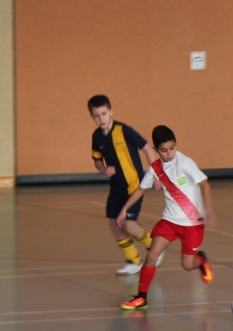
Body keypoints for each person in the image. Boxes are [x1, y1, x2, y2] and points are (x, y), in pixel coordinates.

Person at [118, 125, 216, 310]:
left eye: (172, 148)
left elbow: (205, 184)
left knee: (187, 265)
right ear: (155, 150)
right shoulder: (155, 168)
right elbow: (141, 189)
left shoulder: (185, 162)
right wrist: (125, 208)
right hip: (170, 221)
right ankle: (141, 297)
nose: (169, 153)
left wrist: (208, 210)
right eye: (164, 150)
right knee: (152, 256)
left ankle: (201, 261)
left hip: (192, 223)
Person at [89, 95, 162, 275]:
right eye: (97, 115)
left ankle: (155, 249)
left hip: (135, 185)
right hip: (116, 187)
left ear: (111, 111)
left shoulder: (124, 130)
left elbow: (147, 148)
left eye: (104, 113)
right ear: (92, 117)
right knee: (114, 224)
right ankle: (134, 260)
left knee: (128, 224)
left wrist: (156, 174)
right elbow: (97, 160)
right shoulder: (97, 137)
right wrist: (103, 169)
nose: (101, 119)